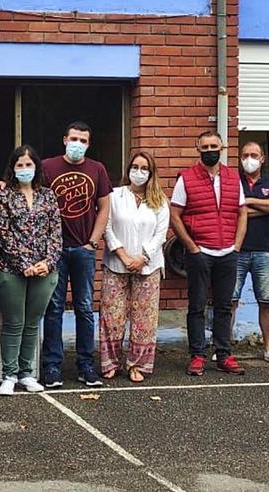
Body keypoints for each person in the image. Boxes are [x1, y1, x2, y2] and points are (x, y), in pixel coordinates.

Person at [0, 121, 111, 389]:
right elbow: (4, 231)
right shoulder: (46, 167)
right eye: (73, 138)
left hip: (75, 252)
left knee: (83, 308)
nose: (77, 144)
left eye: (83, 140)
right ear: (64, 139)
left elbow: (101, 209)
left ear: (88, 144)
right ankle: (50, 367)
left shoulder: (95, 170)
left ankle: (85, 366)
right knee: (52, 310)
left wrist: (91, 243)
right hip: (29, 264)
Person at [170, 130, 248, 377]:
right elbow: (175, 215)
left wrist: (237, 245)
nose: (210, 151)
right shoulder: (186, 178)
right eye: (205, 147)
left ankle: (224, 354)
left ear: (222, 147)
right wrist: (192, 247)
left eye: (214, 146)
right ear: (198, 149)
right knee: (197, 306)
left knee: (225, 306)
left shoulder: (234, 177)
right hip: (200, 251)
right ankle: (197, 355)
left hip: (228, 252)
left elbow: (242, 212)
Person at [0, 145, 62, 396]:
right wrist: (24, 264)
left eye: (28, 165)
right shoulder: (3, 196)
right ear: (12, 168)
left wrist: (47, 262)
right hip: (9, 270)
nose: (24, 169)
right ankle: (9, 374)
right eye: (19, 165)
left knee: (32, 323)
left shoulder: (48, 196)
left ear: (36, 167)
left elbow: (56, 232)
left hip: (44, 270)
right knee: (14, 322)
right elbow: (3, 233)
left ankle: (26, 373)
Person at [100, 151, 169, 382]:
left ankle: (138, 365)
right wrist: (121, 253)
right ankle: (110, 362)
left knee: (144, 318)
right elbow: (106, 226)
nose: (138, 173)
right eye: (135, 167)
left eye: (144, 169)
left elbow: (161, 234)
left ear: (151, 173)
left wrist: (143, 257)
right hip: (116, 264)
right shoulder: (115, 195)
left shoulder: (159, 201)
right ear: (128, 169)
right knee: (112, 315)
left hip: (148, 267)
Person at [231, 140, 269, 365]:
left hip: (264, 252)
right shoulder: (233, 181)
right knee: (230, 301)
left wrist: (248, 203)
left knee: (266, 301)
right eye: (245, 155)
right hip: (236, 251)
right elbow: (234, 212)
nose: (249, 159)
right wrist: (264, 206)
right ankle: (224, 348)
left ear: (262, 159)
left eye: (254, 155)